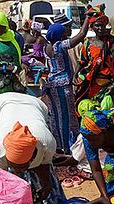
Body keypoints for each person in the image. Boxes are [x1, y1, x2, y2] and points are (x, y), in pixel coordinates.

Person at [0, 92, 65, 204]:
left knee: (48, 184)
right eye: (13, 166)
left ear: (33, 157)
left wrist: (46, 184)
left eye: (23, 166)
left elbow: (44, 164)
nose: (17, 171)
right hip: (2, 103)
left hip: (35, 105)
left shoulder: (47, 143)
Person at [44, 19, 89, 154]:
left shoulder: (47, 47)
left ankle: (59, 144)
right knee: (66, 116)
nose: (66, 35)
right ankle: (67, 147)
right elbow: (81, 35)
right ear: (60, 36)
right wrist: (87, 17)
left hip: (51, 84)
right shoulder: (59, 46)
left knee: (56, 116)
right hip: (62, 86)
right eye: (64, 33)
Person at [75, 5, 114, 113]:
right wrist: (75, 75)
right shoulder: (88, 43)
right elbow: (82, 62)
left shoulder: (113, 42)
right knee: (94, 114)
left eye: (102, 25)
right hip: (92, 85)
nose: (100, 28)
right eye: (97, 25)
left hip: (110, 84)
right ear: (92, 26)